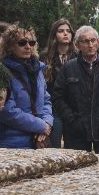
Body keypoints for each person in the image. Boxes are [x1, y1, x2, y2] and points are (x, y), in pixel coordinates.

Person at [51, 25, 99, 154]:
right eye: (85, 41)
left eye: (93, 40)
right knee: (75, 170)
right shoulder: (68, 68)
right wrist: (71, 119)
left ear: (98, 42)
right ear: (77, 45)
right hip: (76, 132)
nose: (90, 45)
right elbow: (58, 97)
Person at [0, 24, 53, 149]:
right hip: (9, 143)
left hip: (37, 139)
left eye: (32, 42)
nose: (28, 46)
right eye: (22, 43)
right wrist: (41, 126)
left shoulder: (37, 69)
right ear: (9, 46)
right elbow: (6, 111)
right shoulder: (0, 71)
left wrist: (47, 124)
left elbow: (46, 101)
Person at [41, 18, 77, 148]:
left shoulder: (78, 57)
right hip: (53, 109)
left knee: (74, 150)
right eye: (61, 31)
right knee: (53, 147)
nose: (65, 33)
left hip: (73, 109)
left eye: (68, 31)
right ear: (54, 34)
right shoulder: (45, 57)